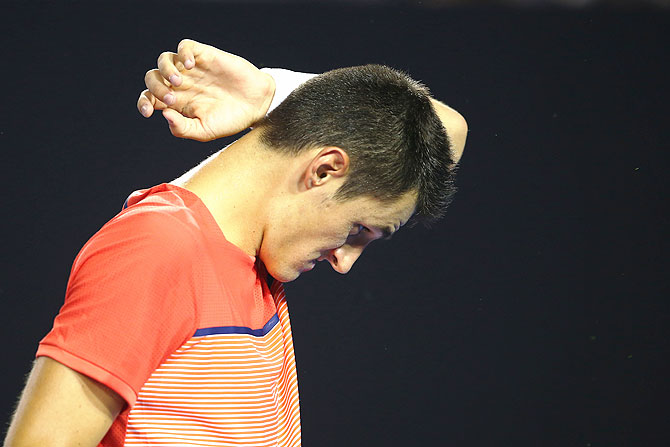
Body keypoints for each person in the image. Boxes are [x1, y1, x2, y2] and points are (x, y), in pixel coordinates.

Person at [4, 40, 467, 446]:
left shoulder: (247, 247)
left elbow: (446, 128)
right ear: (324, 170)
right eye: (358, 230)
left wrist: (272, 95)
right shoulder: (158, 248)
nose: (344, 261)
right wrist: (300, 113)